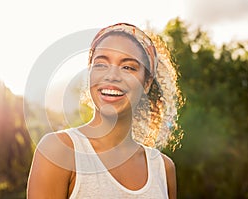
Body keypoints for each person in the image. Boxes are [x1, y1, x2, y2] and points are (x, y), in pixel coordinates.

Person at [27, 23, 182, 199]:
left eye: (128, 67)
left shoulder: (163, 168)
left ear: (146, 83)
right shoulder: (59, 150)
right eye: (101, 64)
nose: (112, 76)